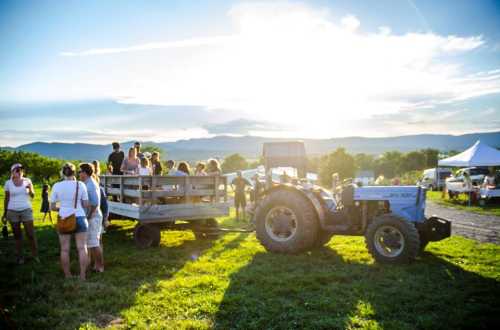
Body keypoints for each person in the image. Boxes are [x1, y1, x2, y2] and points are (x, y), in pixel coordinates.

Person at [50, 163, 89, 280]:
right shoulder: (80, 184)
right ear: (74, 172)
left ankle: (68, 275)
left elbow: (52, 207)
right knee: (82, 247)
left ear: (62, 173)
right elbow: (86, 204)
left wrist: (62, 208)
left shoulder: (56, 186)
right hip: (80, 217)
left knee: (65, 249)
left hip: (64, 218)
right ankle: (82, 275)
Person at [2, 164, 38, 264]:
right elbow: (6, 198)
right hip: (12, 211)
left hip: (26, 210)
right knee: (17, 236)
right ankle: (20, 257)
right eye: (17, 170)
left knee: (30, 234)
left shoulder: (27, 181)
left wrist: (30, 189)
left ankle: (35, 256)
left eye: (21, 170)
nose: (19, 171)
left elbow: (33, 196)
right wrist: (5, 213)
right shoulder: (8, 183)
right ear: (12, 171)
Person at [79, 163, 104, 273]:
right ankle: (93, 265)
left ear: (85, 172)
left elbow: (95, 203)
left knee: (94, 243)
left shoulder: (91, 185)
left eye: (80, 171)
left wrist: (88, 217)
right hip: (89, 216)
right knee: (90, 243)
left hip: (93, 217)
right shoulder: (86, 183)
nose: (78, 173)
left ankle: (100, 266)